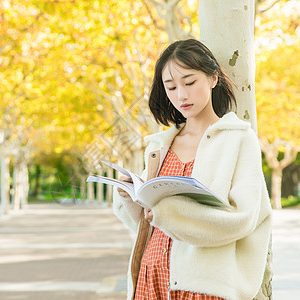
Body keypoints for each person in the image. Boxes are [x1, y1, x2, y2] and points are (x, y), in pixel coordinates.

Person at [112, 39, 272, 300]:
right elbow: (148, 223)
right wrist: (130, 197)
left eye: (189, 82)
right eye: (171, 87)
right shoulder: (159, 145)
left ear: (212, 78)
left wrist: (169, 213)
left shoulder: (237, 140)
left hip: (203, 286)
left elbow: (243, 218)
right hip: (150, 277)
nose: (181, 95)